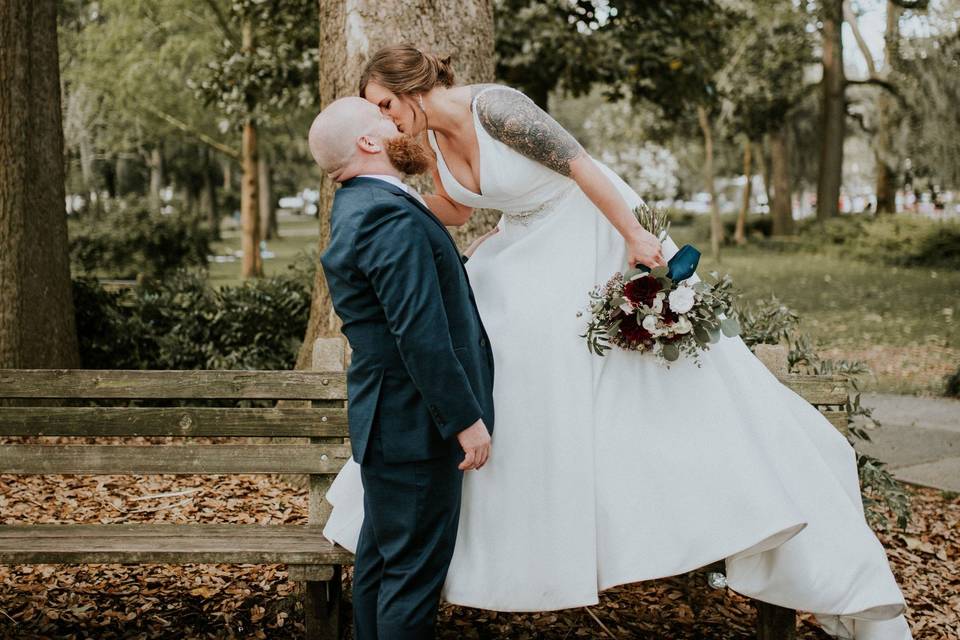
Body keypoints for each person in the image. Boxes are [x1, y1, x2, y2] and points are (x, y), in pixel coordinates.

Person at [322, 45, 912, 640]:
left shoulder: (496, 108)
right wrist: (389, 201)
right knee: (496, 353)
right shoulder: (427, 144)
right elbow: (453, 206)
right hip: (520, 249)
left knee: (573, 363)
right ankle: (525, 533)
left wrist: (633, 235)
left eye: (384, 103)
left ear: (412, 86)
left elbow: (581, 167)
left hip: (586, 237)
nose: (384, 118)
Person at [308, 96, 495, 639]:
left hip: (393, 420)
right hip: (416, 425)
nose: (398, 124)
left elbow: (404, 300)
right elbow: (419, 334)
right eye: (385, 122)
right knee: (410, 576)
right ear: (369, 143)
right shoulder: (387, 215)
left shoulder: (364, 206)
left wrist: (460, 262)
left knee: (384, 563)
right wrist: (465, 419)